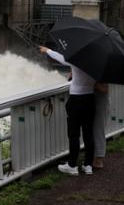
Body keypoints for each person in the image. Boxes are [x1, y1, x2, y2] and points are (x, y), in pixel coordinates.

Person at [39, 45, 96, 175]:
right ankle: (88, 166)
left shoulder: (77, 59)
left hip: (76, 100)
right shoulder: (96, 62)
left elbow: (60, 58)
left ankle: (72, 165)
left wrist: (47, 50)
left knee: (74, 134)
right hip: (90, 99)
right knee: (88, 133)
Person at [93, 83, 109, 168]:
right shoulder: (98, 72)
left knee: (98, 129)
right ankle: (95, 157)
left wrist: (91, 84)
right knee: (94, 130)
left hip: (100, 104)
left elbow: (104, 89)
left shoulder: (103, 74)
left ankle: (99, 159)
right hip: (95, 102)